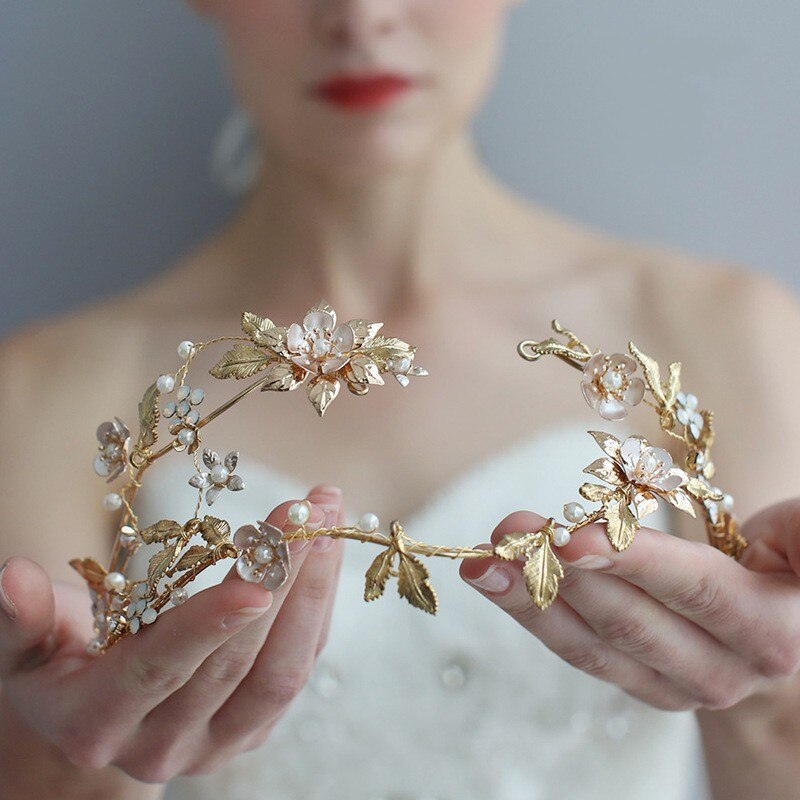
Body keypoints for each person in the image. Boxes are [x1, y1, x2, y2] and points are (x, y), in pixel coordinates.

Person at [2, 1, 800, 798]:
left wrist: (770, 705)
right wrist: (57, 762)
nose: (361, 17)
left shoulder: (724, 335)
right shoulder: (43, 392)